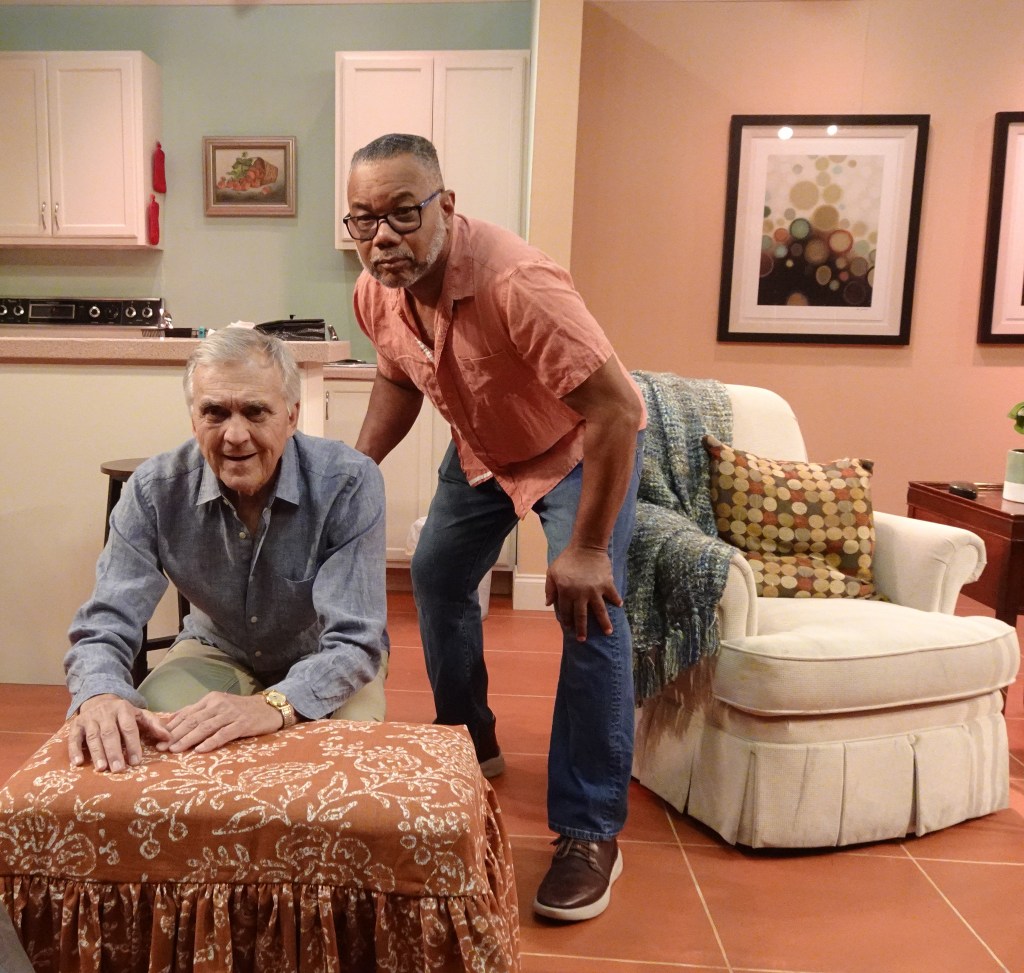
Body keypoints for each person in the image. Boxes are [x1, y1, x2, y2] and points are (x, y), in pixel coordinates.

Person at [345, 133, 646, 922]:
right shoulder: (376, 289)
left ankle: (590, 830)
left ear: (444, 206)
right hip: (485, 445)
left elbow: (617, 410)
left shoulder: (517, 282)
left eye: (403, 213)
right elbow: (397, 379)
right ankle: (467, 738)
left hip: (578, 445)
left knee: (590, 610)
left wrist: (586, 547)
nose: (383, 236)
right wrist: (355, 468)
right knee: (437, 573)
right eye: (364, 219)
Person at [64, 328, 389, 775]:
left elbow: (355, 639)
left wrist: (274, 704)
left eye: (256, 412)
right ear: (193, 419)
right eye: (214, 412)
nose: (235, 435)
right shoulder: (153, 491)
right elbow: (107, 619)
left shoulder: (349, 482)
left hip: (326, 654)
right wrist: (100, 693)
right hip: (216, 647)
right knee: (152, 748)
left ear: (292, 416)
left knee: (349, 761)